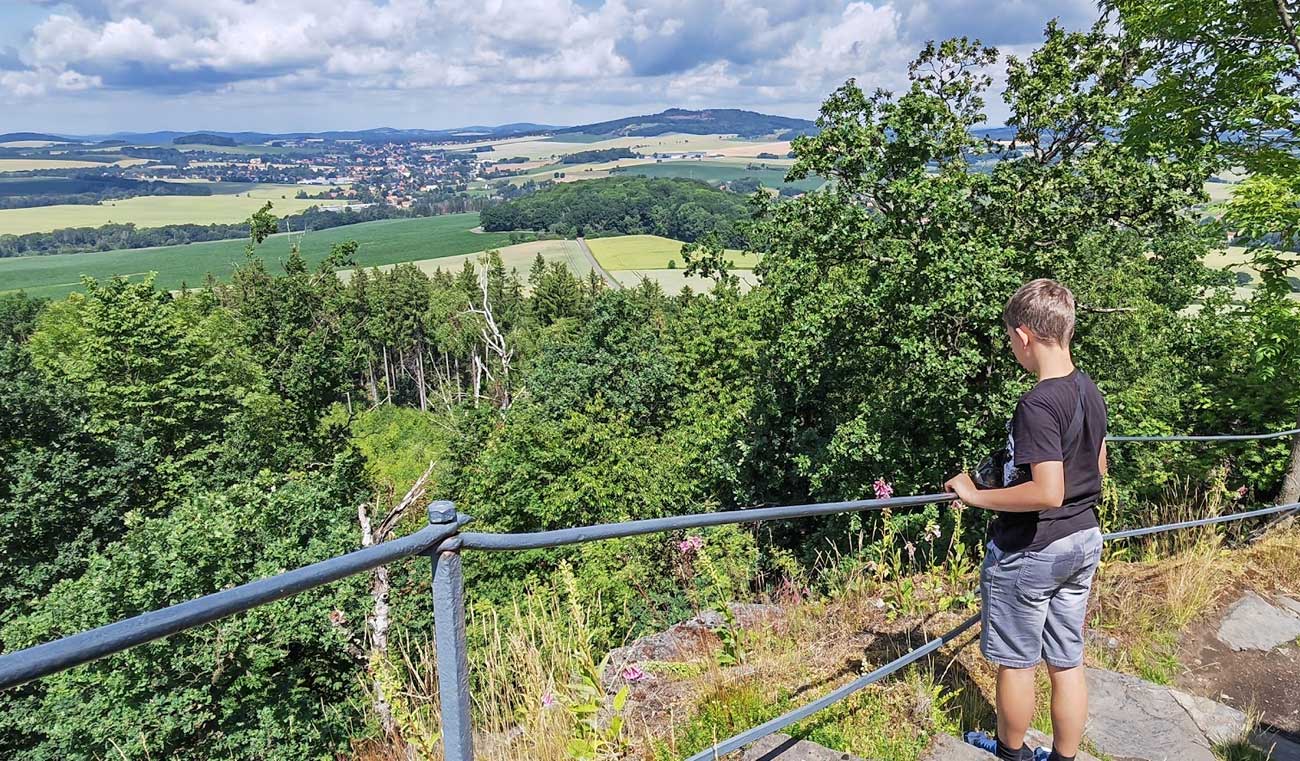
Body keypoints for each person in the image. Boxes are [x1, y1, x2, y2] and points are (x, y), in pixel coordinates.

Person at [944, 279, 1108, 761]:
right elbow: (1098, 465)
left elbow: (1047, 492)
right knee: (1065, 660)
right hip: (1083, 538)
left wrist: (976, 496)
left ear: (1023, 336)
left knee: (1016, 663)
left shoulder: (1037, 403)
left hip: (1034, 549)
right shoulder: (1089, 390)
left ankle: (1009, 754)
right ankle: (1062, 758)